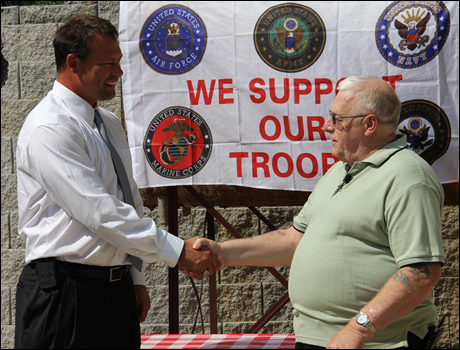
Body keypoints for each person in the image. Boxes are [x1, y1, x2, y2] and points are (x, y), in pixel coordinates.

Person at [192, 76, 445, 349]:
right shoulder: (340, 170)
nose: (327, 126)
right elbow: (294, 240)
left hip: (377, 343)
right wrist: (220, 253)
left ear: (369, 124)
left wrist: (359, 329)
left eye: (338, 119)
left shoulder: (408, 177)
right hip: (323, 340)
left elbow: (421, 272)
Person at [15, 14, 218, 349]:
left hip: (115, 292)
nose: (119, 73)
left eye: (119, 62)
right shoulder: (49, 127)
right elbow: (99, 212)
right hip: (65, 295)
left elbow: (128, 203)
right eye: (108, 63)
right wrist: (178, 252)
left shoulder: (107, 122)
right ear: (72, 63)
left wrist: (134, 275)